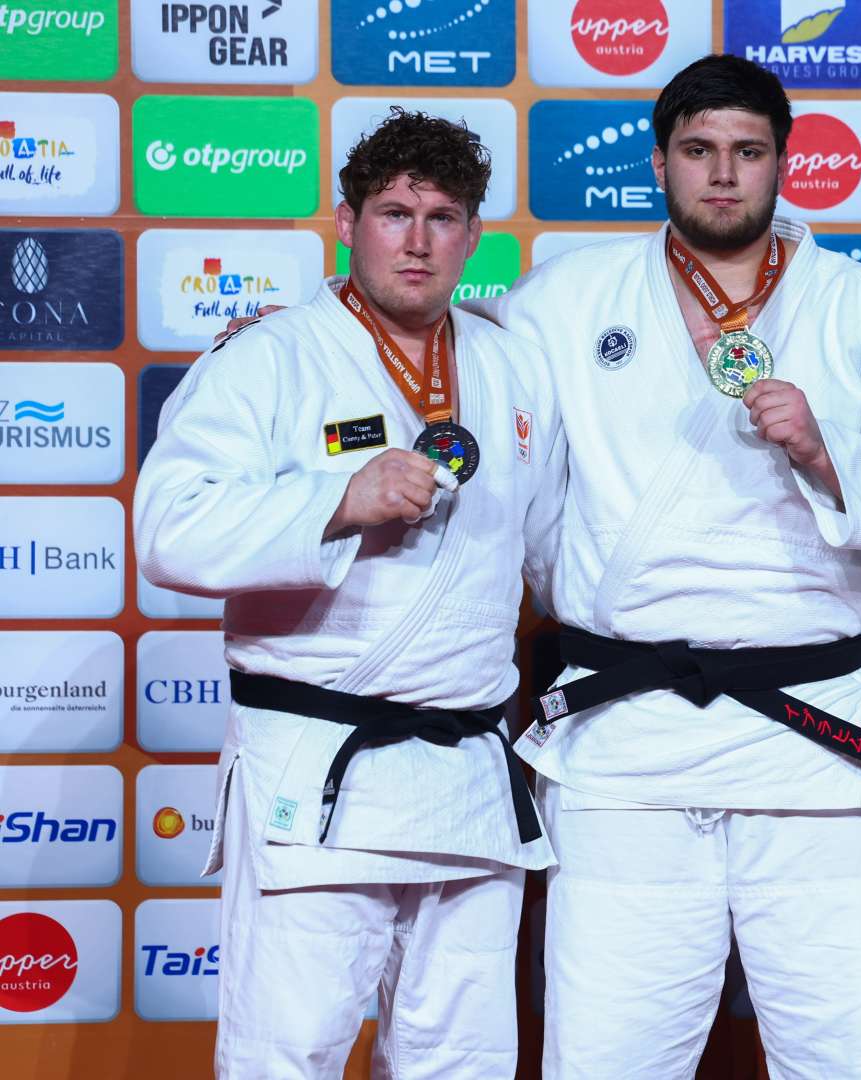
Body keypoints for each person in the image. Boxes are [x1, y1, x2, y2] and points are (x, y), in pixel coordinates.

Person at [465, 55, 861, 1078]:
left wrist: (828, 449)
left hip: (817, 747)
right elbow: (479, 412)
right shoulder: (566, 300)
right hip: (628, 740)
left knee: (859, 1057)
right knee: (606, 1056)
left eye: (748, 151)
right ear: (660, 162)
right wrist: (323, 332)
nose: (724, 173)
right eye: (698, 151)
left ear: (784, 163)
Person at [134, 109, 565, 1078]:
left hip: (467, 775)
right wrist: (333, 502)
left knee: (462, 1061)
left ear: (473, 236)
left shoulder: (511, 366)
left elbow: (549, 552)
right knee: (287, 1055)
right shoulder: (270, 356)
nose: (417, 242)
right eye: (394, 214)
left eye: (442, 218)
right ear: (346, 223)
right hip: (316, 768)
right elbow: (167, 529)